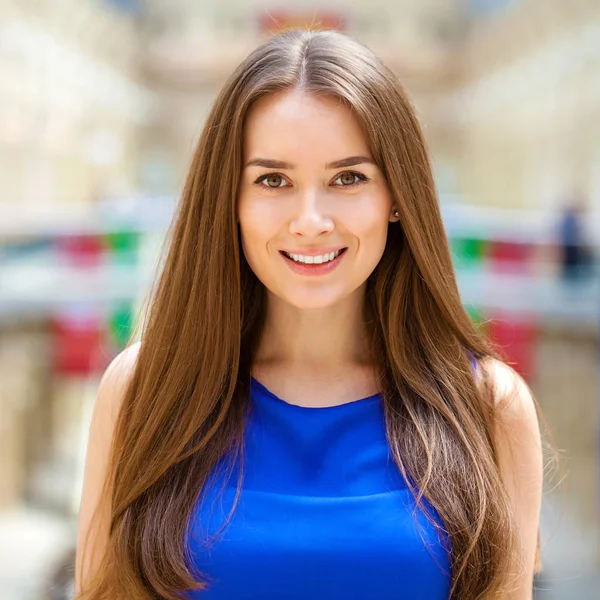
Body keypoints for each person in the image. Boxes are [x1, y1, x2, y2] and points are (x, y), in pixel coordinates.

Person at [74, 29, 544, 600]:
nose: (311, 220)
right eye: (273, 180)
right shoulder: (142, 391)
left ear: (396, 196)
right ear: (230, 200)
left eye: (348, 178)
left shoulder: (491, 407)